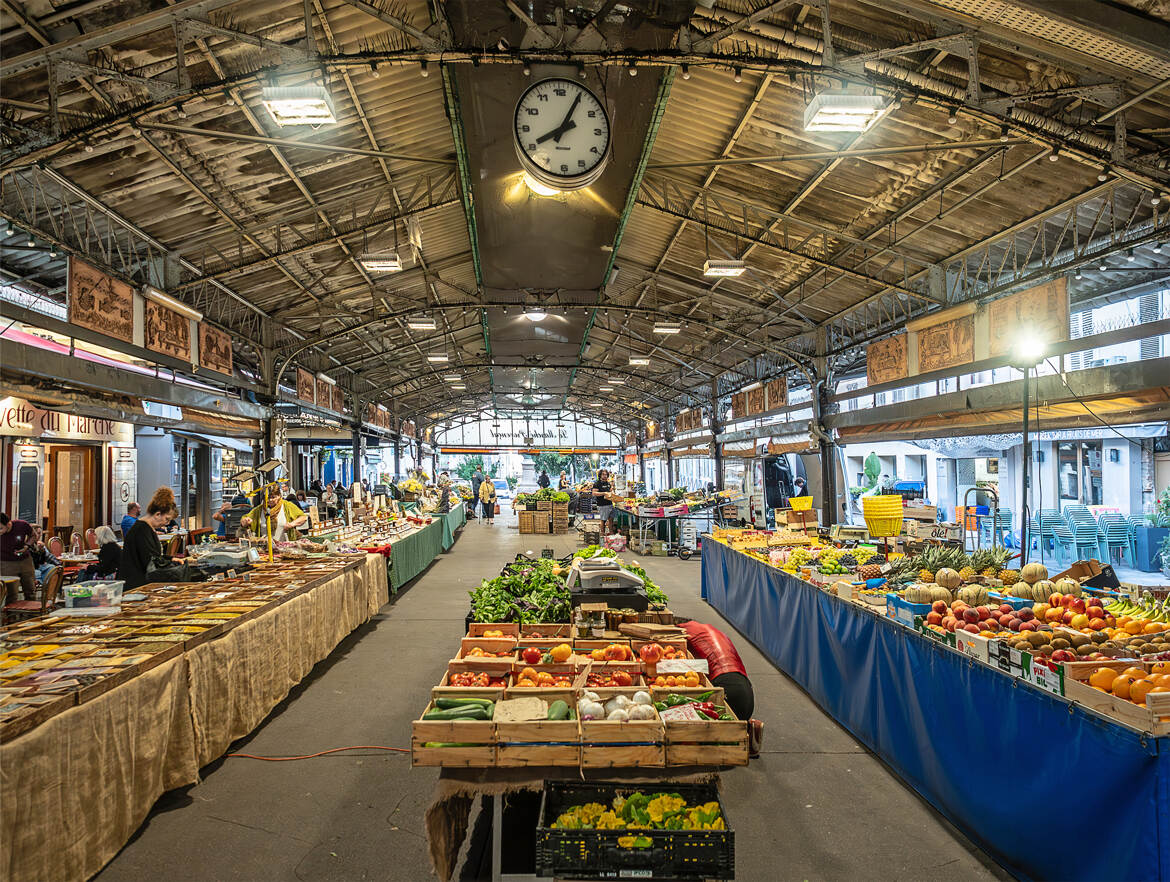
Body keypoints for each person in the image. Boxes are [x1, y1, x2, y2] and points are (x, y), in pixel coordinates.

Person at [676, 618, 763, 757]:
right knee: (733, 716)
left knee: (706, 718)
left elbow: (679, 662)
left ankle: (734, 736)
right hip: (745, 689)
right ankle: (746, 726)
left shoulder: (683, 633)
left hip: (725, 688)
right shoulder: (711, 630)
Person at [118, 487, 179, 591]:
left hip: (139, 583)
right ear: (157, 514)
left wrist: (170, 559)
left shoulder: (146, 528)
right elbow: (150, 561)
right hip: (136, 586)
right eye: (167, 519)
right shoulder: (142, 530)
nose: (167, 523)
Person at [242, 489, 308, 542]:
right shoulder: (259, 509)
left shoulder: (287, 506)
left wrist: (292, 524)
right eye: (268, 498)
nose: (270, 500)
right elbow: (244, 520)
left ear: (279, 496)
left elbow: (303, 517)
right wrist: (246, 521)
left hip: (285, 547)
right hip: (265, 548)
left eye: (273, 497)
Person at [1, 513, 36, 603]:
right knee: (11, 594)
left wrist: (26, 546)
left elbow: (33, 535)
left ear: (8, 524)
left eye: (1, 528)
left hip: (25, 561)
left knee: (30, 590)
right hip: (6, 563)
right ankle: (11, 616)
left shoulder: (22, 525)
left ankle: (31, 614)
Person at [592, 468, 615, 535]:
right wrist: (604, 493)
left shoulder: (608, 483)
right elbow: (594, 493)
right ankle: (602, 534)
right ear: (600, 475)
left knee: (611, 520)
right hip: (602, 505)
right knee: (603, 520)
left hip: (610, 504)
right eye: (603, 474)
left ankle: (611, 534)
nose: (605, 476)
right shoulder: (597, 483)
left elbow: (610, 492)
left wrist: (612, 491)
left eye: (606, 474)